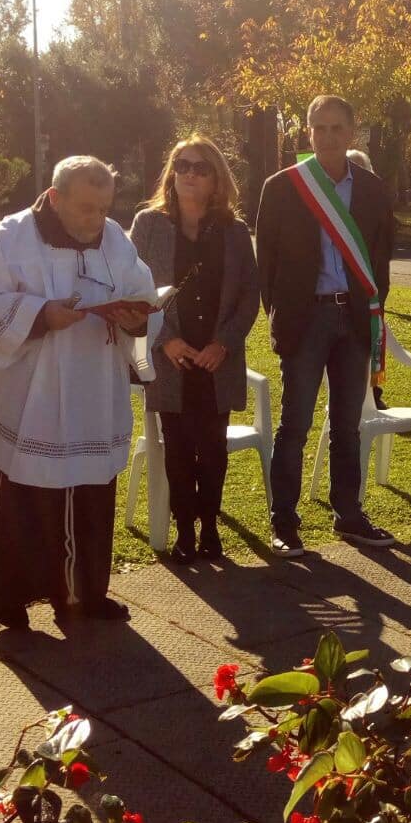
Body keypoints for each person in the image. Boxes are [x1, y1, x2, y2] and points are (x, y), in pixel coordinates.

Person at [0, 156, 159, 630]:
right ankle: (8, 593)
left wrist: (139, 317)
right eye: (86, 208)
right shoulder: (11, 239)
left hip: (95, 391)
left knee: (91, 490)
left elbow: (143, 292)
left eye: (105, 207)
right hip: (36, 395)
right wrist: (40, 314)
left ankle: (86, 594)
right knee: (29, 493)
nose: (97, 220)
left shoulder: (115, 239)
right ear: (55, 197)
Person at [256, 95, 396, 556]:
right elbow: (267, 262)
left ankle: (348, 515)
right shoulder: (282, 187)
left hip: (353, 319)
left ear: (351, 133)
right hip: (305, 318)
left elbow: (380, 256)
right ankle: (284, 521)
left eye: (338, 128)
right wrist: (280, 316)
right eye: (320, 127)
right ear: (308, 132)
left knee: (347, 426)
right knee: (294, 424)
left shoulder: (374, 190)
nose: (329, 136)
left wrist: (375, 308)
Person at [129, 138, 260, 562]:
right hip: (172, 358)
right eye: (182, 165)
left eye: (200, 168)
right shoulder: (148, 225)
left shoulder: (235, 232)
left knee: (214, 450)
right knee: (179, 449)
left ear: (216, 178)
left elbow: (249, 296)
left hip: (217, 359)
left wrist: (225, 343)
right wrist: (166, 339)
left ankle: (209, 528)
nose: (189, 173)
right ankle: (184, 530)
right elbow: (136, 290)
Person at [348, 149, 396, 410]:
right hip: (340, 296)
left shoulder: (377, 201)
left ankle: (373, 394)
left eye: (360, 168)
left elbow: (386, 245)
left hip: (372, 290)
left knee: (371, 342)